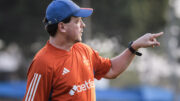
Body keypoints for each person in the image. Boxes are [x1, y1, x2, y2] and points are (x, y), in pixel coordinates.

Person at [23, 0, 163, 101]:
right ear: (62, 27)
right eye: (78, 21)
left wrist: (134, 46)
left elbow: (112, 70)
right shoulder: (42, 62)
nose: (83, 25)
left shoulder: (84, 50)